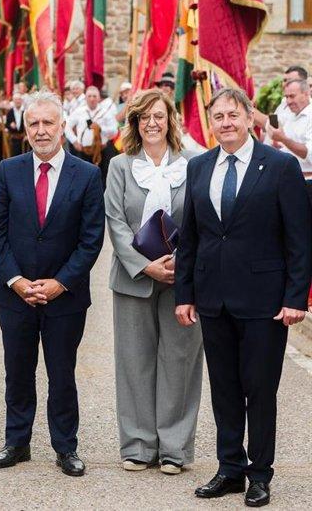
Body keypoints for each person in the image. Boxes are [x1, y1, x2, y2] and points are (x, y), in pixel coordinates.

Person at [175, 88, 311, 507]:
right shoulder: (198, 168)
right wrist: (185, 294)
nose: (226, 122)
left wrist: (296, 298)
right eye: (218, 116)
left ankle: (260, 474)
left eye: (233, 114)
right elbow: (191, 237)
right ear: (210, 121)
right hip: (213, 300)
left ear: (250, 116)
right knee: (225, 390)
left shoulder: (281, 167)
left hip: (265, 302)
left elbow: (300, 241)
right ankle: (229, 468)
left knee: (260, 389)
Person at [0, 91, 104, 477]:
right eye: (33, 123)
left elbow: (91, 239)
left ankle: (66, 447)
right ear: (26, 127)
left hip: (64, 298)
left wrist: (61, 283)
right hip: (15, 294)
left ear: (62, 125)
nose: (40, 130)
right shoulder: (8, 169)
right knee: (17, 371)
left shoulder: (86, 175)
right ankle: (17, 442)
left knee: (61, 372)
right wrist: (16, 280)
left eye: (47, 123)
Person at [104, 89, 203, 475]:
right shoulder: (120, 167)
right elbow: (115, 221)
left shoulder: (192, 165)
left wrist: (179, 263)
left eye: (158, 116)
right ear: (134, 123)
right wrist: (145, 266)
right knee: (134, 362)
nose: (151, 123)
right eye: (143, 117)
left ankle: (174, 449)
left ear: (170, 120)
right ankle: (138, 445)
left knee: (180, 361)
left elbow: (198, 221)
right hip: (133, 278)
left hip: (181, 279)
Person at [264, 79, 312, 203]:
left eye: (292, 96)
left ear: (306, 93)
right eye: (286, 97)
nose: (289, 101)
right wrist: (278, 144)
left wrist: (283, 139)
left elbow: (309, 155)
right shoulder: (290, 114)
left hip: (307, 183)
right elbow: (287, 145)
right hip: (287, 180)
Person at [65, 86, 118, 184]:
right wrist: (74, 141)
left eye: (94, 96)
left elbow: (114, 130)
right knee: (83, 179)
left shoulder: (106, 112)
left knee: (104, 179)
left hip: (102, 150)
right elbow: (66, 127)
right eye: (89, 96)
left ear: (99, 98)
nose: (92, 99)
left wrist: (101, 129)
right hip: (84, 151)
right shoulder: (79, 111)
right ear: (85, 98)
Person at [5, 93, 26, 157]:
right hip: (13, 140)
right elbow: (6, 125)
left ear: (21, 101)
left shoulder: (25, 112)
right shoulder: (9, 113)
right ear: (13, 101)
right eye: (16, 99)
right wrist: (10, 126)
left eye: (19, 99)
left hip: (23, 140)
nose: (18, 101)